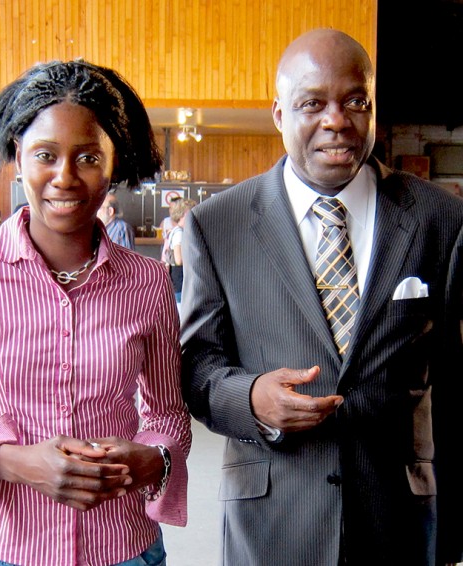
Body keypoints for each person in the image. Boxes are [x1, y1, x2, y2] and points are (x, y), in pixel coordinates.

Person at [179, 28, 463, 566]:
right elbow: (197, 366)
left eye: (356, 101)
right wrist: (253, 397)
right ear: (280, 114)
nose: (337, 120)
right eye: (313, 103)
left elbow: (452, 381)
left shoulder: (439, 219)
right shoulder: (219, 226)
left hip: (398, 521)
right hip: (274, 523)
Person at [0, 60, 191, 566]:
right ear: (18, 156)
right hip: (6, 549)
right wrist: (10, 461)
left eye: (88, 157)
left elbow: (168, 414)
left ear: (113, 162)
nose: (65, 177)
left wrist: (153, 459)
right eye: (45, 155)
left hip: (124, 548)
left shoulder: (146, 282)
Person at [162, 198, 196, 303]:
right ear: (185, 213)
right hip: (180, 281)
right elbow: (179, 260)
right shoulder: (179, 233)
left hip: (176, 281)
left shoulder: (175, 230)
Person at [159, 195, 182, 262]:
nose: (170, 211)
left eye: (173, 208)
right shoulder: (165, 222)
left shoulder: (184, 222)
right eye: (170, 208)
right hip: (166, 257)